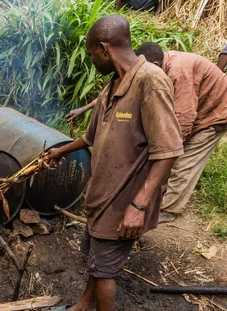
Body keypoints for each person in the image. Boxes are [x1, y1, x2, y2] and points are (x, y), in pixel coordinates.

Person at [41, 15, 183, 311]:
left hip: (124, 201)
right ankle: (84, 310)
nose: (92, 61)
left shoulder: (150, 82)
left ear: (105, 49)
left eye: (92, 55)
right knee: (93, 255)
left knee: (105, 270)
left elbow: (168, 150)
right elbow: (91, 138)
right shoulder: (114, 84)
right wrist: (60, 151)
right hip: (101, 195)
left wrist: (139, 204)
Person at [67, 43, 227, 223]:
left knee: (183, 161)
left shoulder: (178, 72)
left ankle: (168, 209)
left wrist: (165, 153)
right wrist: (84, 108)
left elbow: (183, 119)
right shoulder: (150, 69)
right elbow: (115, 92)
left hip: (216, 112)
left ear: (156, 67)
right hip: (198, 105)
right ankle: (157, 193)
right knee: (165, 157)